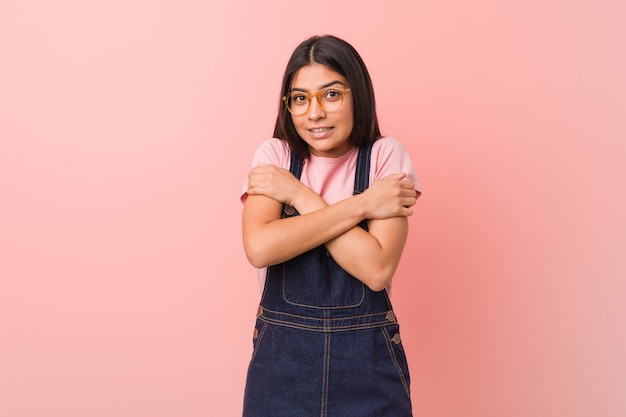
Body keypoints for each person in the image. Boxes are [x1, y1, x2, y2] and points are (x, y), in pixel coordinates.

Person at [240, 34, 421, 417]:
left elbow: (375, 268)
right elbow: (260, 247)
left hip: (367, 371)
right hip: (281, 371)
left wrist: (299, 196)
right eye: (300, 98)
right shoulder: (274, 154)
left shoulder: (386, 156)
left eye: (332, 94)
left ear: (358, 95)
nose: (315, 113)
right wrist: (365, 205)